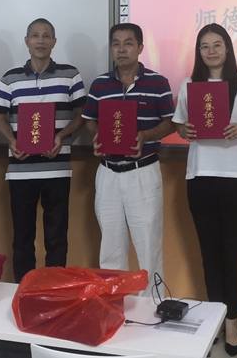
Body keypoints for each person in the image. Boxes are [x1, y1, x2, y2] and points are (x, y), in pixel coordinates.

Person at [172, 23, 237, 357]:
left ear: (227, 49)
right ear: (199, 52)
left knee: (235, 253)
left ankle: (233, 320)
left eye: (217, 45)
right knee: (209, 253)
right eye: (205, 46)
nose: (211, 51)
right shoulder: (189, 85)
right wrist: (185, 131)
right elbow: (180, 125)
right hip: (200, 177)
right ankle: (217, 318)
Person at [82, 23, 175, 295]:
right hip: (108, 173)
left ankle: (152, 306)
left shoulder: (158, 82)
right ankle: (115, 305)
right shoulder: (100, 84)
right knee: (111, 247)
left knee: (148, 245)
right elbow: (89, 120)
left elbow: (170, 123)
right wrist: (98, 136)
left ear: (140, 48)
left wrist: (146, 135)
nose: (121, 49)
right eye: (116, 44)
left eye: (128, 43)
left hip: (142, 172)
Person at [0, 18, 86, 283]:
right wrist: (11, 140)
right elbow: (0, 117)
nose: (40, 41)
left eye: (46, 36)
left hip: (57, 170)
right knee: (22, 239)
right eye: (35, 35)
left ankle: (53, 290)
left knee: (56, 238)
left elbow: (82, 115)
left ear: (54, 42)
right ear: (27, 41)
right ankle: (24, 291)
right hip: (20, 171)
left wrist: (61, 136)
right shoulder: (10, 79)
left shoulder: (70, 75)